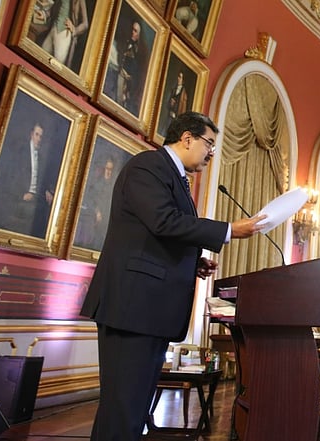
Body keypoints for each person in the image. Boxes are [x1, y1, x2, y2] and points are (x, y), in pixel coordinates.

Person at [78, 111, 267, 440]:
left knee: (131, 410)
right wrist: (228, 230)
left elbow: (152, 238)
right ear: (187, 138)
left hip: (147, 311)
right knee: (123, 408)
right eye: (209, 143)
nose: (211, 152)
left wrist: (193, 263)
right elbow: (162, 221)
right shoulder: (148, 166)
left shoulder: (174, 177)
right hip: (132, 308)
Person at [0, 122, 60, 237]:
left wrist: (45, 191)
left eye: (41, 136)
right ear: (31, 134)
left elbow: (40, 181)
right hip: (18, 197)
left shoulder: (40, 157)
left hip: (36, 198)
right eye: (37, 135)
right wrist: (21, 195)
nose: (39, 139)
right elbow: (9, 178)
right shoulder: (20, 152)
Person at [74, 158, 117, 250]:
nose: (108, 172)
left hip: (107, 220)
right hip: (94, 219)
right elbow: (90, 200)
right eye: (107, 169)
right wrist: (97, 211)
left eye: (110, 169)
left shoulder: (113, 186)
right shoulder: (97, 184)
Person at [39, 0, 89, 69]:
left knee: (57, 65)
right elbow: (54, 8)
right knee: (41, 56)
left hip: (64, 34)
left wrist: (74, 29)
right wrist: (44, 14)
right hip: (53, 29)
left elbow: (85, 24)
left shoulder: (80, 1)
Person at [115, 19, 148, 114]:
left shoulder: (139, 52)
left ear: (139, 35)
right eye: (132, 30)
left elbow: (137, 73)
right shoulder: (125, 43)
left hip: (130, 83)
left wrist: (130, 79)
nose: (132, 33)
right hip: (120, 75)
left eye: (135, 31)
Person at [163, 70, 190, 135]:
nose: (178, 79)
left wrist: (176, 115)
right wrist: (170, 103)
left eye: (180, 77)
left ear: (183, 80)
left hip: (176, 118)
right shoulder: (173, 89)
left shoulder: (184, 95)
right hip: (169, 115)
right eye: (178, 77)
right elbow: (166, 103)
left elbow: (183, 109)